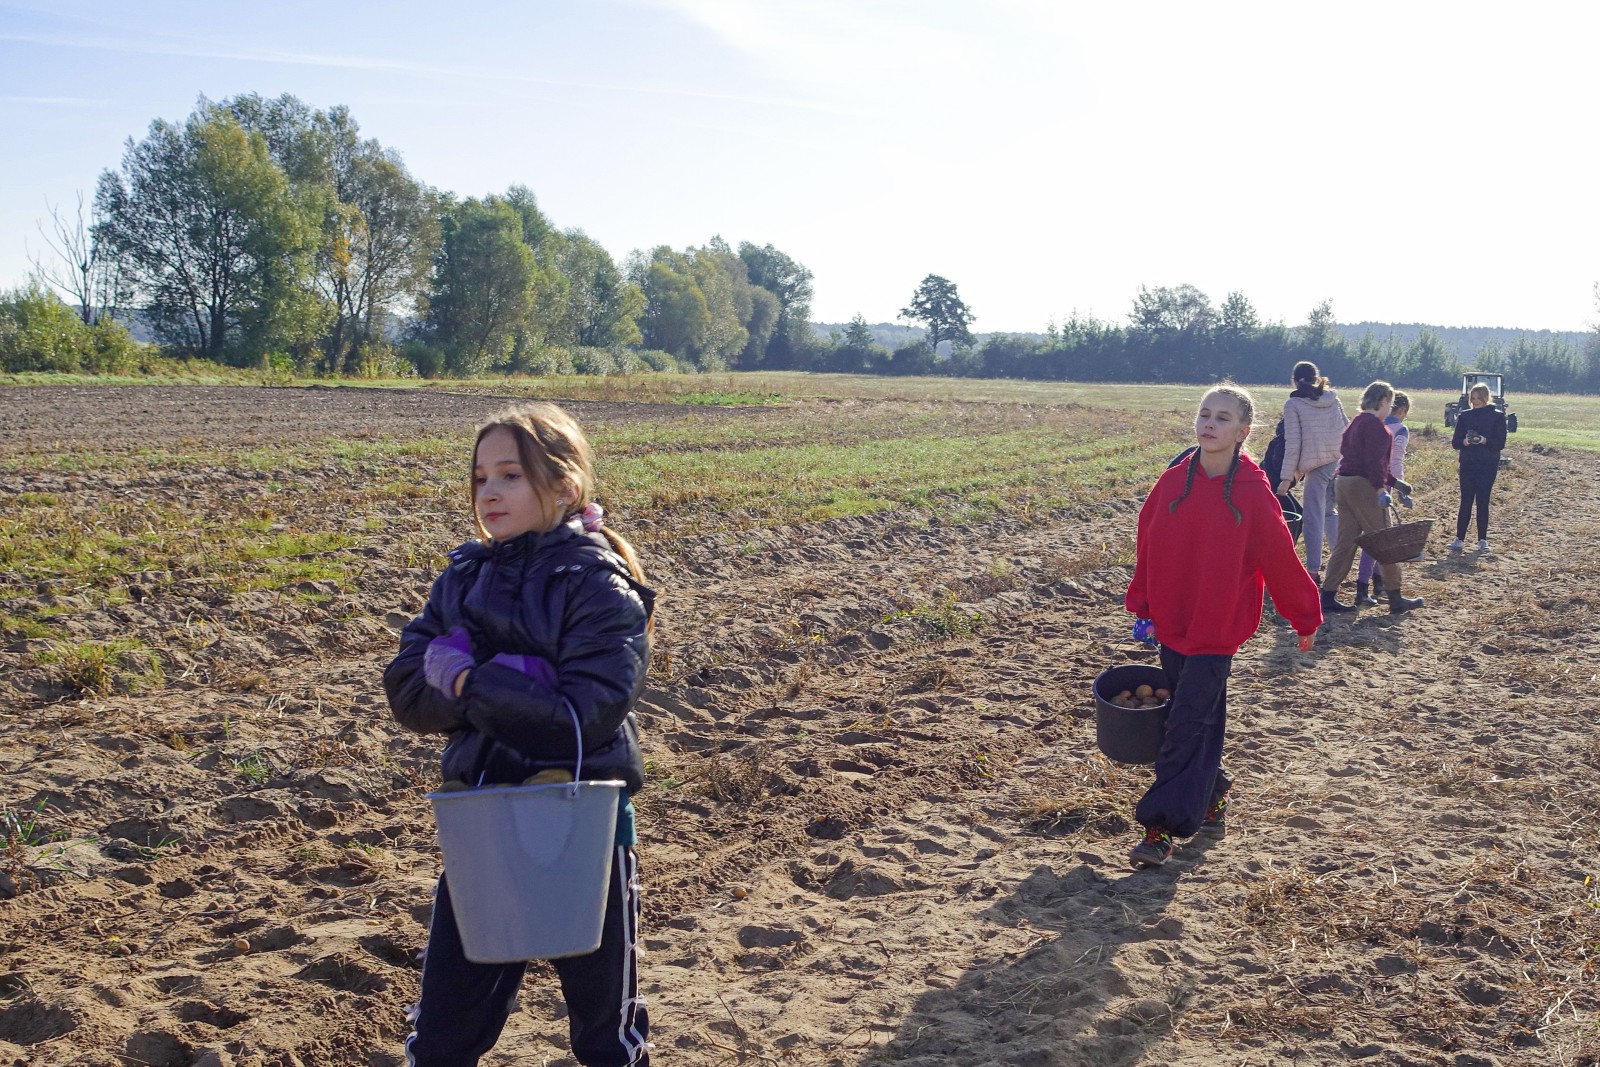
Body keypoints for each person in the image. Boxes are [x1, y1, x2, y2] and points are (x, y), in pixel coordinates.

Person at [384, 402, 655, 1067]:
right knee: (442, 1032)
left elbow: (582, 718)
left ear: (564, 486)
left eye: (510, 475)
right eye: (481, 477)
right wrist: (509, 683)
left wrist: (469, 680)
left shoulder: (599, 585)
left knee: (606, 1034)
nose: (489, 492)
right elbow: (408, 692)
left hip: (582, 824)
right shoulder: (462, 577)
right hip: (482, 819)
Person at [1124, 384, 1322, 868]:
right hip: (1173, 621)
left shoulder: (1252, 493)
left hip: (1218, 630)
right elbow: (1147, 542)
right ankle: (1215, 792)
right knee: (1197, 719)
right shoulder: (1173, 482)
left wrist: (1304, 615)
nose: (1209, 424)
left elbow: (1280, 558)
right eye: (1205, 414)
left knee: (1185, 725)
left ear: (1242, 431)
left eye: (1222, 418)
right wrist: (1143, 602)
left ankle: (1160, 829)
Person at [1319, 382, 1423, 614]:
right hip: (1363, 486)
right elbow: (1374, 463)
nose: (1390, 408)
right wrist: (1380, 490)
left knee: (1346, 543)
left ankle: (1327, 595)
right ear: (1383, 401)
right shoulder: (1377, 427)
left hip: (1343, 483)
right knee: (1385, 541)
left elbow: (1356, 457)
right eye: (1390, 403)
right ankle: (1395, 597)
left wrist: (1395, 483)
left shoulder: (1355, 422)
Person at [1278, 362, 1348, 590]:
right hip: (1338, 462)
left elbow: (1293, 443)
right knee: (1330, 512)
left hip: (1317, 468)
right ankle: (1341, 564)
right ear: (1317, 379)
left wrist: (1286, 479)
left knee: (1313, 519)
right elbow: (1346, 428)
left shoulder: (1293, 405)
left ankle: (1313, 571)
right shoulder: (1333, 399)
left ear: (1294, 381)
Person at [1355, 390, 1411, 603]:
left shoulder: (1373, 423)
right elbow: (1395, 462)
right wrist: (1400, 487)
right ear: (1402, 410)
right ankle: (1363, 587)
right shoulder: (1400, 429)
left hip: (1360, 481)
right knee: (1377, 536)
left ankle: (1378, 583)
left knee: (1376, 532)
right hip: (1383, 484)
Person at [1449, 382, 1508, 552]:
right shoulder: (1464, 416)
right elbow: (1455, 442)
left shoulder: (1497, 417)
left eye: (1479, 398)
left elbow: (1500, 443)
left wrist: (1484, 440)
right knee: (1466, 501)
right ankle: (1459, 539)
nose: (1475, 401)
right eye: (1473, 398)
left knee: (1483, 501)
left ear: (1486, 398)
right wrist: (1465, 442)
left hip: (1487, 464)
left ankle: (1482, 540)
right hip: (1468, 464)